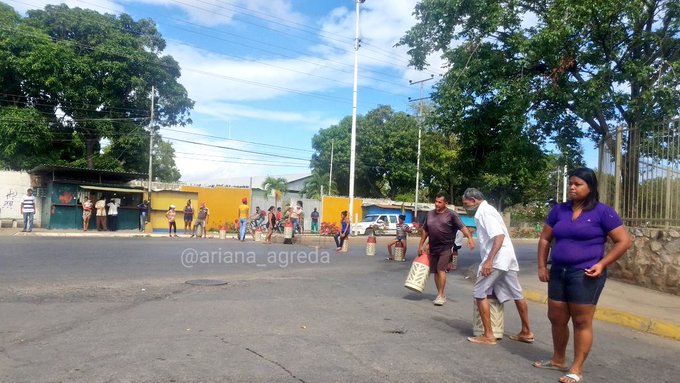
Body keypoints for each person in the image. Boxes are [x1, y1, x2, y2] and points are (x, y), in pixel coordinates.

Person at [532, 168, 631, 383]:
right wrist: (542, 266)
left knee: (581, 321)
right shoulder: (559, 210)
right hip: (558, 271)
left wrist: (602, 264)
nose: (572, 187)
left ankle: (576, 369)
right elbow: (545, 239)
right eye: (571, 183)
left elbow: (624, 241)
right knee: (556, 318)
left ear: (590, 187)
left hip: (585, 274)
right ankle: (558, 359)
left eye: (578, 184)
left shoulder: (603, 212)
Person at [461, 188, 534, 346]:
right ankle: (527, 331)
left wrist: (489, 261)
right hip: (506, 258)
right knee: (517, 293)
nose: (465, 207)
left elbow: (499, 237)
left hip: (497, 258)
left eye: (465, 204)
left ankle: (488, 335)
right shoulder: (488, 210)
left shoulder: (485, 212)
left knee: (479, 292)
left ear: (473, 201)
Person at [417, 192, 475, 306]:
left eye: (440, 202)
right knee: (435, 272)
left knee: (441, 269)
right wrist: (421, 245)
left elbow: (462, 227)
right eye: (436, 201)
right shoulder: (430, 214)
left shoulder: (452, 215)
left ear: (446, 203)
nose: (437, 204)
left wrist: (469, 237)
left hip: (446, 247)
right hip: (433, 247)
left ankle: (440, 295)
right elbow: (425, 230)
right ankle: (440, 294)